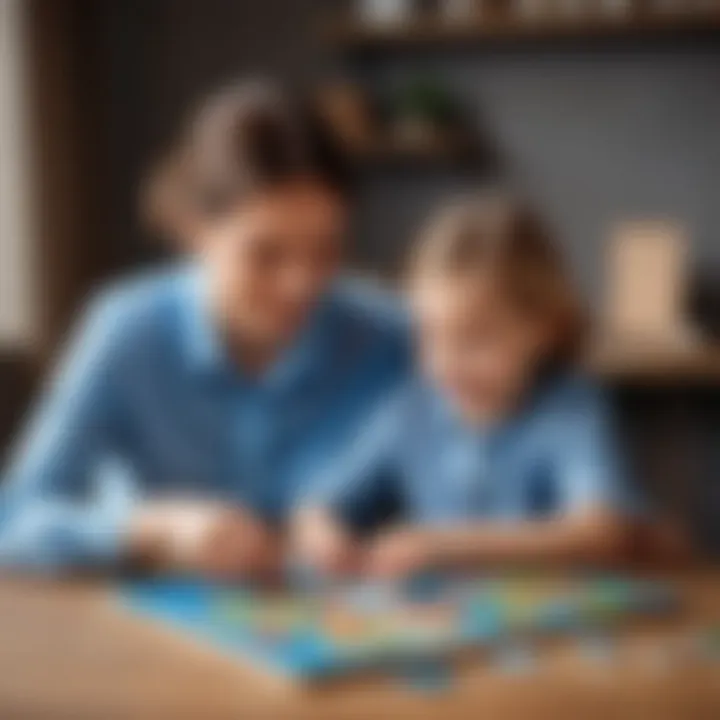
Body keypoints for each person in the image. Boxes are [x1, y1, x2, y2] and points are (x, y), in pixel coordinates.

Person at [0, 80, 408, 576]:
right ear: (195, 229)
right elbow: (15, 519)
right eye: (266, 254)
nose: (300, 285)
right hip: (155, 628)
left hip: (352, 631)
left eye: (326, 249)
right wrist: (151, 528)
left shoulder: (390, 334)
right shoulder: (127, 328)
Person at [295, 190, 643, 578]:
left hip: (557, 627)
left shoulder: (568, 409)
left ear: (542, 326)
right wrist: (323, 536)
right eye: (429, 335)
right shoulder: (411, 408)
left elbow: (601, 532)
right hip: (447, 626)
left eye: (477, 337)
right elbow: (318, 505)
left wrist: (444, 545)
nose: (447, 362)